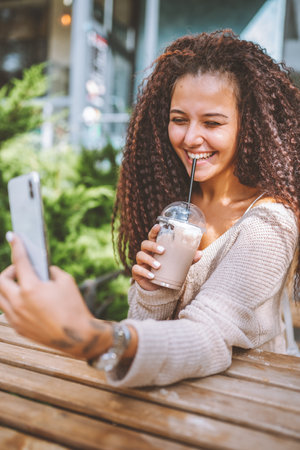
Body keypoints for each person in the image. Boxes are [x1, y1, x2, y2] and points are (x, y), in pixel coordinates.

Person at [0, 30, 299, 387]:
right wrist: (153, 294)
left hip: (247, 407)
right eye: (179, 119)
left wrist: (91, 336)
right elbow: (150, 331)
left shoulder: (268, 224)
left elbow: (208, 337)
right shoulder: (180, 206)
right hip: (174, 399)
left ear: (248, 128)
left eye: (212, 122)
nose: (190, 138)